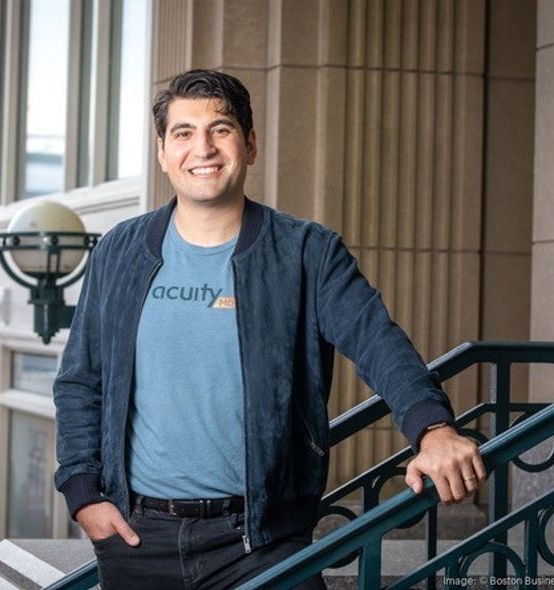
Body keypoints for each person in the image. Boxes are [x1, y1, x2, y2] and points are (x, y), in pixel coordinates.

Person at [54, 69, 487, 589]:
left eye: (221, 128)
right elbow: (81, 380)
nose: (203, 148)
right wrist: (84, 495)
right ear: (163, 152)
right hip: (138, 540)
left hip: (262, 542)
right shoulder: (120, 251)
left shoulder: (306, 252)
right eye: (184, 133)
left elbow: (379, 342)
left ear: (250, 145)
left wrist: (433, 429)